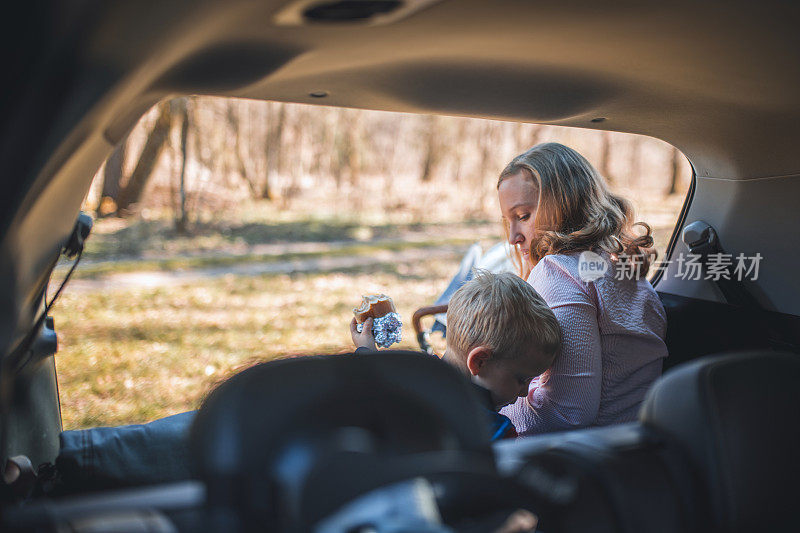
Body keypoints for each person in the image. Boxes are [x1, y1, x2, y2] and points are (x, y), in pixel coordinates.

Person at [496, 142, 668, 436]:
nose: (513, 237)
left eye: (523, 216)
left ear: (566, 204)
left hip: (585, 457)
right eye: (508, 221)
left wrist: (489, 402)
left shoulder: (558, 272)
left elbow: (569, 414)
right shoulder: (623, 267)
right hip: (636, 445)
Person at [351, 270, 560, 441]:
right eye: (522, 379)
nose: (524, 393)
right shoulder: (495, 432)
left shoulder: (411, 379)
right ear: (479, 361)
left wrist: (365, 351)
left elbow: (371, 392)